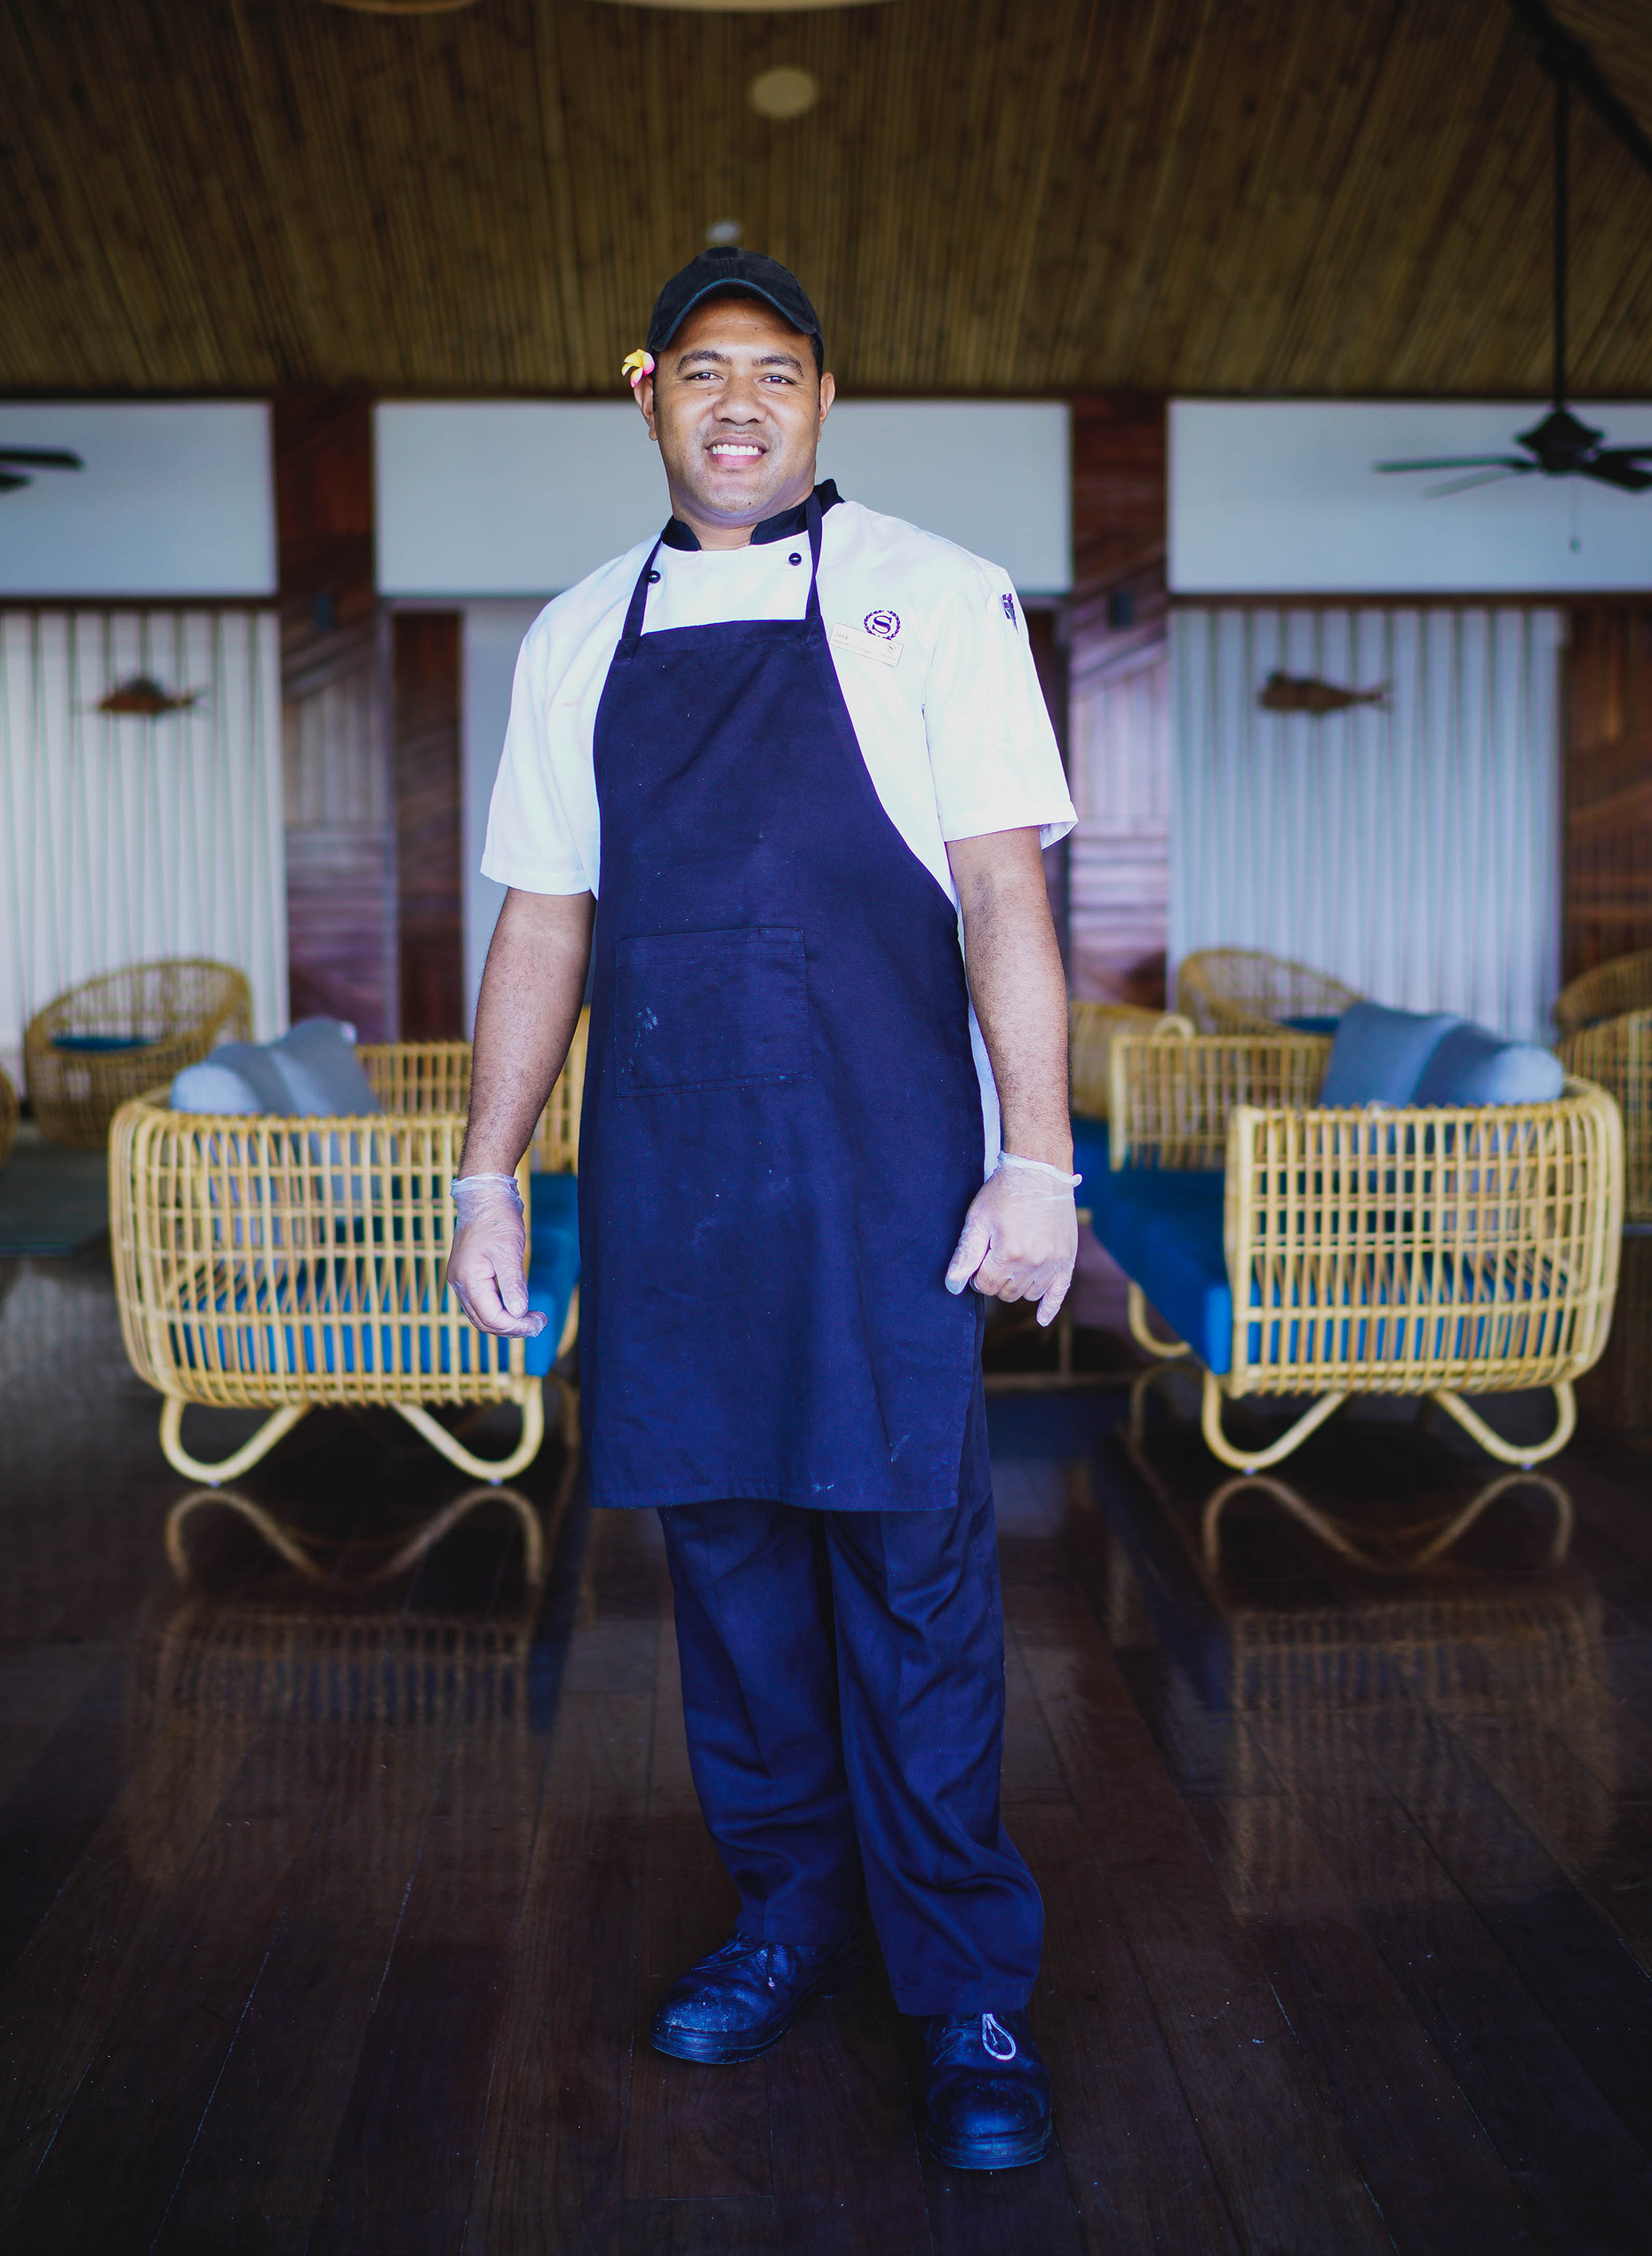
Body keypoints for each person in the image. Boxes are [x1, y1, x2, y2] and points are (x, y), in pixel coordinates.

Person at [448, 247, 1079, 2172]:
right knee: (728, 1586)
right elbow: (543, 922)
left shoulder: (936, 596)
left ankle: (966, 1984)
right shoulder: (578, 634)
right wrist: (486, 1171)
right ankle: (790, 1912)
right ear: (645, 390)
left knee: (915, 1585)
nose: (742, 401)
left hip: (887, 1176)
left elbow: (1002, 893)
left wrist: (1038, 1156)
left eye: (779, 371)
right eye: (705, 368)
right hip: (675, 1189)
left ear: (824, 398)